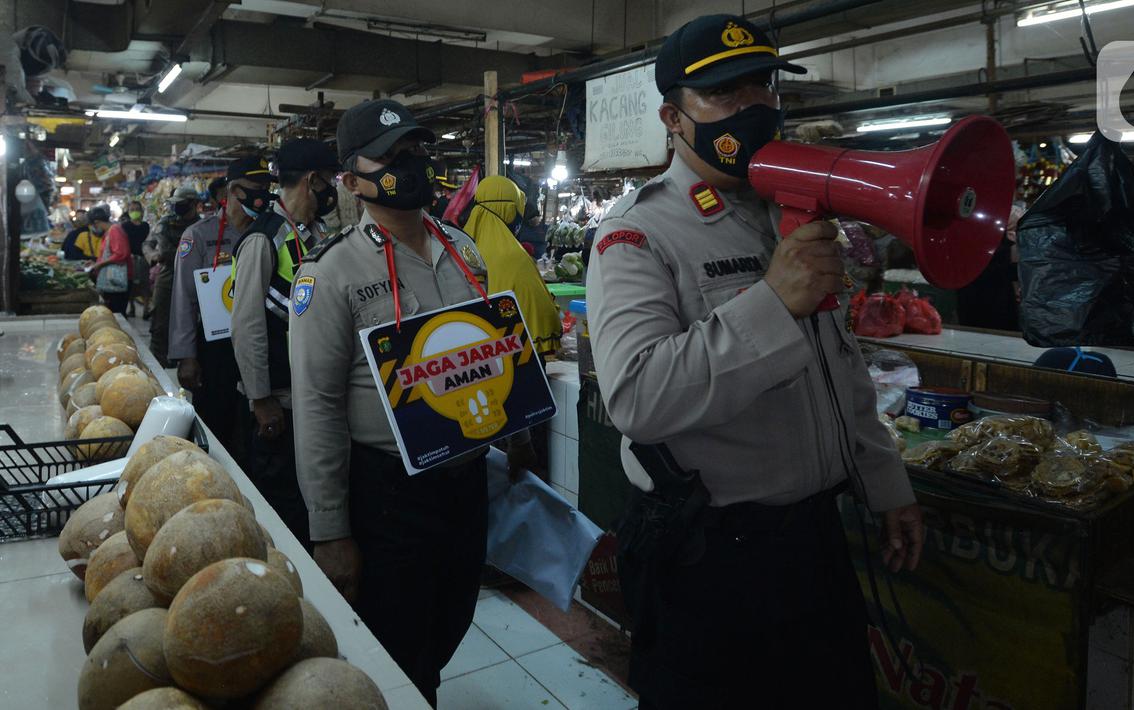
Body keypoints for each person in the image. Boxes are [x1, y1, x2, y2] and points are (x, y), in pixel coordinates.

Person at [585, 15, 922, 709]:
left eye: (762, 87)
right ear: (672, 117)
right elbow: (637, 398)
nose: (754, 107)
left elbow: (839, 365)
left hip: (814, 542)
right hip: (711, 560)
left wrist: (883, 480)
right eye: (725, 93)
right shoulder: (636, 232)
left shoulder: (786, 216)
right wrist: (773, 301)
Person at [290, 99, 533, 705]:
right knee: (397, 642)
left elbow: (491, 344)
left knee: (451, 615)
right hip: (387, 494)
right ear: (350, 179)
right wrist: (330, 530)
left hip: (465, 478)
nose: (413, 164)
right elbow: (317, 404)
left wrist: (519, 424)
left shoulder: (460, 248)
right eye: (392, 156)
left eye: (417, 150)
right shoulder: (330, 274)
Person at [230, 140, 336, 545]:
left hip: (311, 394)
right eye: (332, 180)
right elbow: (248, 325)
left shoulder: (318, 233)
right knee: (283, 502)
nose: (334, 189)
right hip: (278, 400)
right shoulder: (264, 239)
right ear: (313, 180)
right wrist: (260, 398)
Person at [170, 156, 269, 459]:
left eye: (266, 189)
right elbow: (183, 298)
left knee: (253, 424)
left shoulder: (269, 232)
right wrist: (186, 355)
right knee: (216, 423)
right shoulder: (198, 236)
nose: (262, 196)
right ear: (231, 192)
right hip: (215, 347)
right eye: (255, 189)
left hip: (257, 341)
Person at [462, 175, 562, 355]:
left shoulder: (460, 246)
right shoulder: (514, 256)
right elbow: (543, 317)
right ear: (507, 210)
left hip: (473, 357)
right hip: (520, 356)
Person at [145, 187, 201, 366]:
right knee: (160, 321)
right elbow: (148, 244)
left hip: (193, 277)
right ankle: (158, 362)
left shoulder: (200, 227)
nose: (177, 208)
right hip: (168, 275)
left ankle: (187, 360)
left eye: (182, 205)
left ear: (193, 204)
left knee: (190, 321)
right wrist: (152, 255)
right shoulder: (166, 223)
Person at [86, 206, 134, 314]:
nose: (92, 229)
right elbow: (108, 254)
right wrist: (96, 263)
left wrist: (100, 264)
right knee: (111, 312)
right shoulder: (108, 232)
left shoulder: (115, 230)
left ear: (97, 222)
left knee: (117, 313)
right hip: (113, 280)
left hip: (119, 279)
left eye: (92, 225)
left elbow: (121, 253)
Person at [120, 200, 151, 319]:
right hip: (129, 259)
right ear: (128, 212)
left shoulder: (145, 226)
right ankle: (131, 308)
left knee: (145, 284)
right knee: (130, 285)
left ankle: (146, 309)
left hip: (144, 259)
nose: (134, 212)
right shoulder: (125, 226)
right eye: (132, 210)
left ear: (142, 212)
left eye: (137, 209)